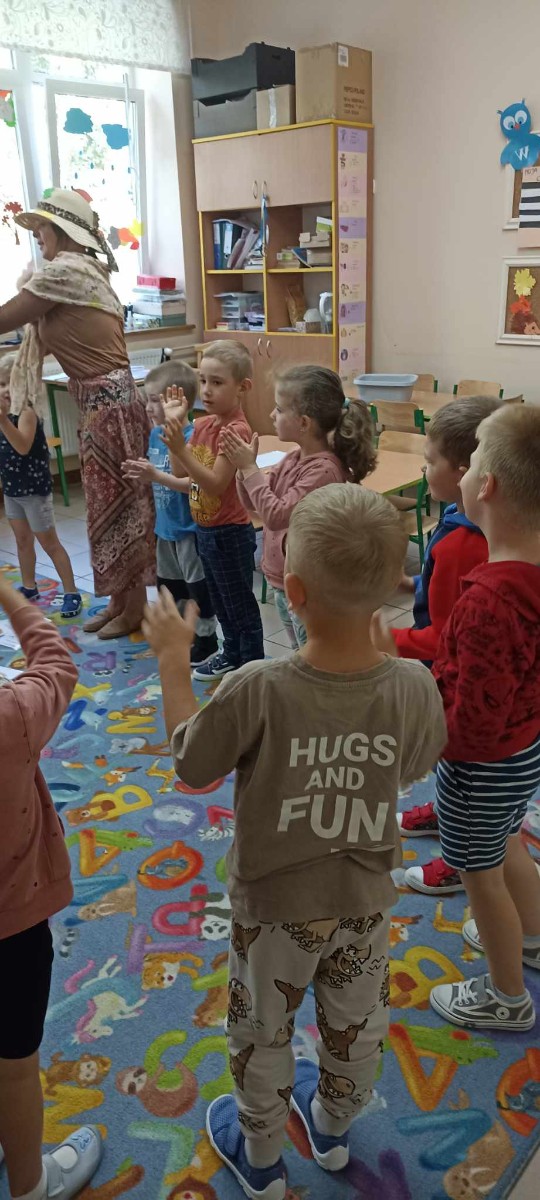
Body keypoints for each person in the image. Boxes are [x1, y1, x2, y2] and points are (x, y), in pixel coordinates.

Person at [142, 483, 447, 1200]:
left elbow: (192, 763)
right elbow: (417, 763)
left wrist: (173, 664)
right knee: (356, 1024)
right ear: (391, 588)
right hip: (364, 902)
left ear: (294, 589)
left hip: (273, 910)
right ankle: (333, 1131)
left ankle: (262, 1161)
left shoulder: (258, 685)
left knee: (262, 1030)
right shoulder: (413, 683)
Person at [426, 405, 540, 1032]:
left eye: (470, 466)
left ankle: (506, 997)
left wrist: (421, 736)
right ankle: (533, 936)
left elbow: (469, 728)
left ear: (486, 486)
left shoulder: (488, 601)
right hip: (525, 749)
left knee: (481, 874)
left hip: (482, 768)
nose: (464, 476)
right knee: (507, 841)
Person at [0, 188, 155, 640]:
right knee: (108, 506)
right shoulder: (80, 271)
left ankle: (136, 609)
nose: (37, 236)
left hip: (109, 407)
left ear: (62, 230)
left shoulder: (65, 271)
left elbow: (8, 317)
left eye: (41, 228)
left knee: (122, 506)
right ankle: (120, 601)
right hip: (103, 405)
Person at [372, 397, 501, 896]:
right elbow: (447, 592)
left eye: (429, 463)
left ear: (466, 473)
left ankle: (458, 858)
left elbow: (448, 638)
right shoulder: (463, 518)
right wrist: (412, 585)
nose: (423, 471)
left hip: (461, 682)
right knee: (452, 764)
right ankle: (444, 813)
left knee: (462, 766)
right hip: (464, 676)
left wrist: (388, 640)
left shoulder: (464, 543)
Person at [0, 576, 102, 1199]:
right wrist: (13, 599)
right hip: (12, 927)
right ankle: (31, 1184)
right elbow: (56, 663)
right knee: (15, 1068)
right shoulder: (12, 714)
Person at [224, 365, 377, 648]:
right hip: (283, 581)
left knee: (314, 654)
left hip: (308, 588)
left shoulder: (323, 471)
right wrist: (244, 471)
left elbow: (276, 515)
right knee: (299, 652)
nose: (272, 415)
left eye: (279, 409)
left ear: (304, 423)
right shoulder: (293, 458)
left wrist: (249, 469)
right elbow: (256, 505)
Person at [162, 339, 264, 680]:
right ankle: (232, 653)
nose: (206, 390)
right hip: (205, 529)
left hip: (229, 533)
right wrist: (176, 429)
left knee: (239, 605)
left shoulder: (236, 430)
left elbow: (216, 484)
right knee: (221, 602)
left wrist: (181, 447)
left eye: (217, 382)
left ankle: (251, 667)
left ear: (242, 387)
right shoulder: (204, 424)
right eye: (203, 380)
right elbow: (180, 471)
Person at [121, 361, 218, 666]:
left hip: (189, 530)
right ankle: (181, 636)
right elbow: (157, 475)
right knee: (171, 587)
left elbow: (192, 484)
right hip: (165, 530)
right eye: (147, 400)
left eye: (154, 401)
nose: (148, 408)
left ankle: (207, 641)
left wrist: (157, 476)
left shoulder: (191, 437)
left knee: (198, 589)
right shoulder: (155, 435)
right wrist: (145, 474)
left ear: (179, 402)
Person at [0, 353, 82, 617]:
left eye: (11, 384)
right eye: (1, 384)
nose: (5, 390)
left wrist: (2, 421)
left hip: (34, 491)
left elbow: (22, 447)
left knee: (50, 543)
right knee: (22, 541)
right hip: (12, 490)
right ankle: (29, 587)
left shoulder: (27, 413)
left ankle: (71, 592)